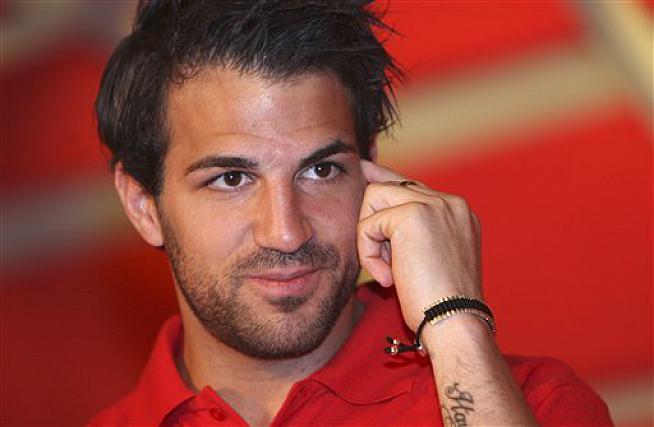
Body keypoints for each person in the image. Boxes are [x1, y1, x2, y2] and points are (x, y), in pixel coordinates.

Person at [88, 1, 613, 426]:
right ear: (143, 205)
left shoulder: (534, 403)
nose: (287, 232)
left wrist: (456, 327)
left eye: (320, 171)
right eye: (231, 179)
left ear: (371, 172)